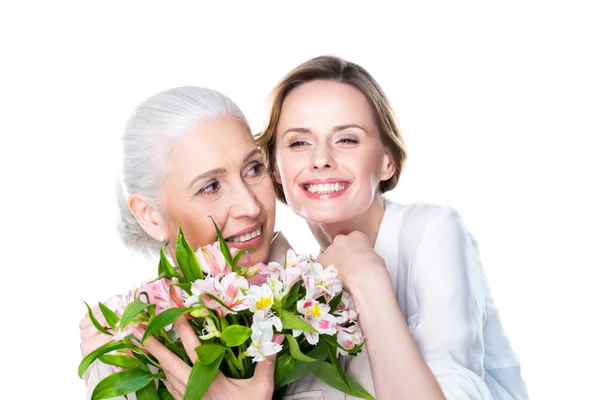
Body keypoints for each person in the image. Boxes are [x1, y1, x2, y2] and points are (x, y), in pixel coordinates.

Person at [256, 55, 528, 399]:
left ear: (388, 160)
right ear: (276, 169)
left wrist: (368, 278)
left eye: (347, 140)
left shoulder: (432, 232)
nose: (320, 158)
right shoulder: (290, 281)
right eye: (298, 142)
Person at [80, 86, 292, 400]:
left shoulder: (335, 303)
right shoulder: (123, 353)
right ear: (150, 215)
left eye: (253, 169)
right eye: (211, 186)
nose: (250, 206)